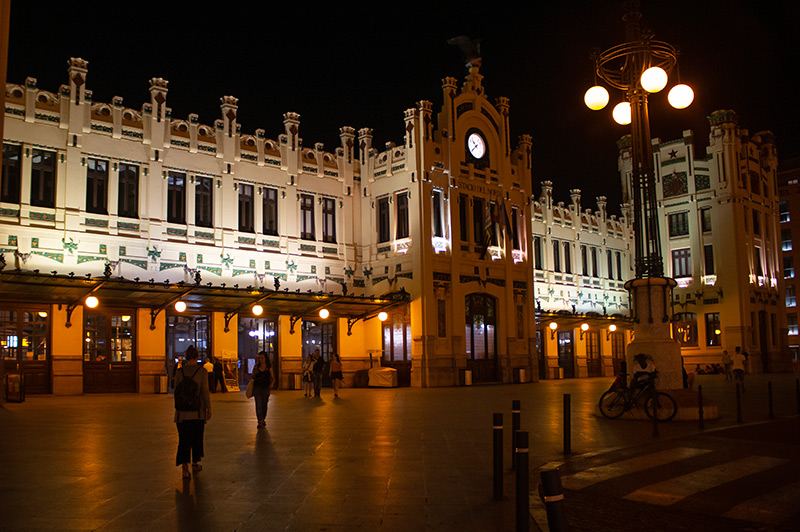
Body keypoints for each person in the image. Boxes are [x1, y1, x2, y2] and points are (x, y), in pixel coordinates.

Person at [174, 345, 212, 479]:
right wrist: (208, 408)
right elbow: (205, 392)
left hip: (182, 414)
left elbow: (176, 390)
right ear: (197, 357)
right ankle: (195, 463)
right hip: (197, 412)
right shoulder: (202, 372)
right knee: (197, 438)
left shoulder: (180, 372)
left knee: (184, 440)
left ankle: (185, 468)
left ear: (186, 357)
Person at [250, 351, 275, 428]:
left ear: (265, 358)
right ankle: (260, 420)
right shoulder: (256, 366)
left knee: (264, 404)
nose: (261, 360)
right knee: (258, 404)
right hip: (257, 388)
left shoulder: (268, 367)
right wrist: (254, 372)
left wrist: (272, 384)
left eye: (262, 358)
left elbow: (273, 377)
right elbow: (252, 376)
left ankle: (263, 418)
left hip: (265, 388)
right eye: (259, 358)